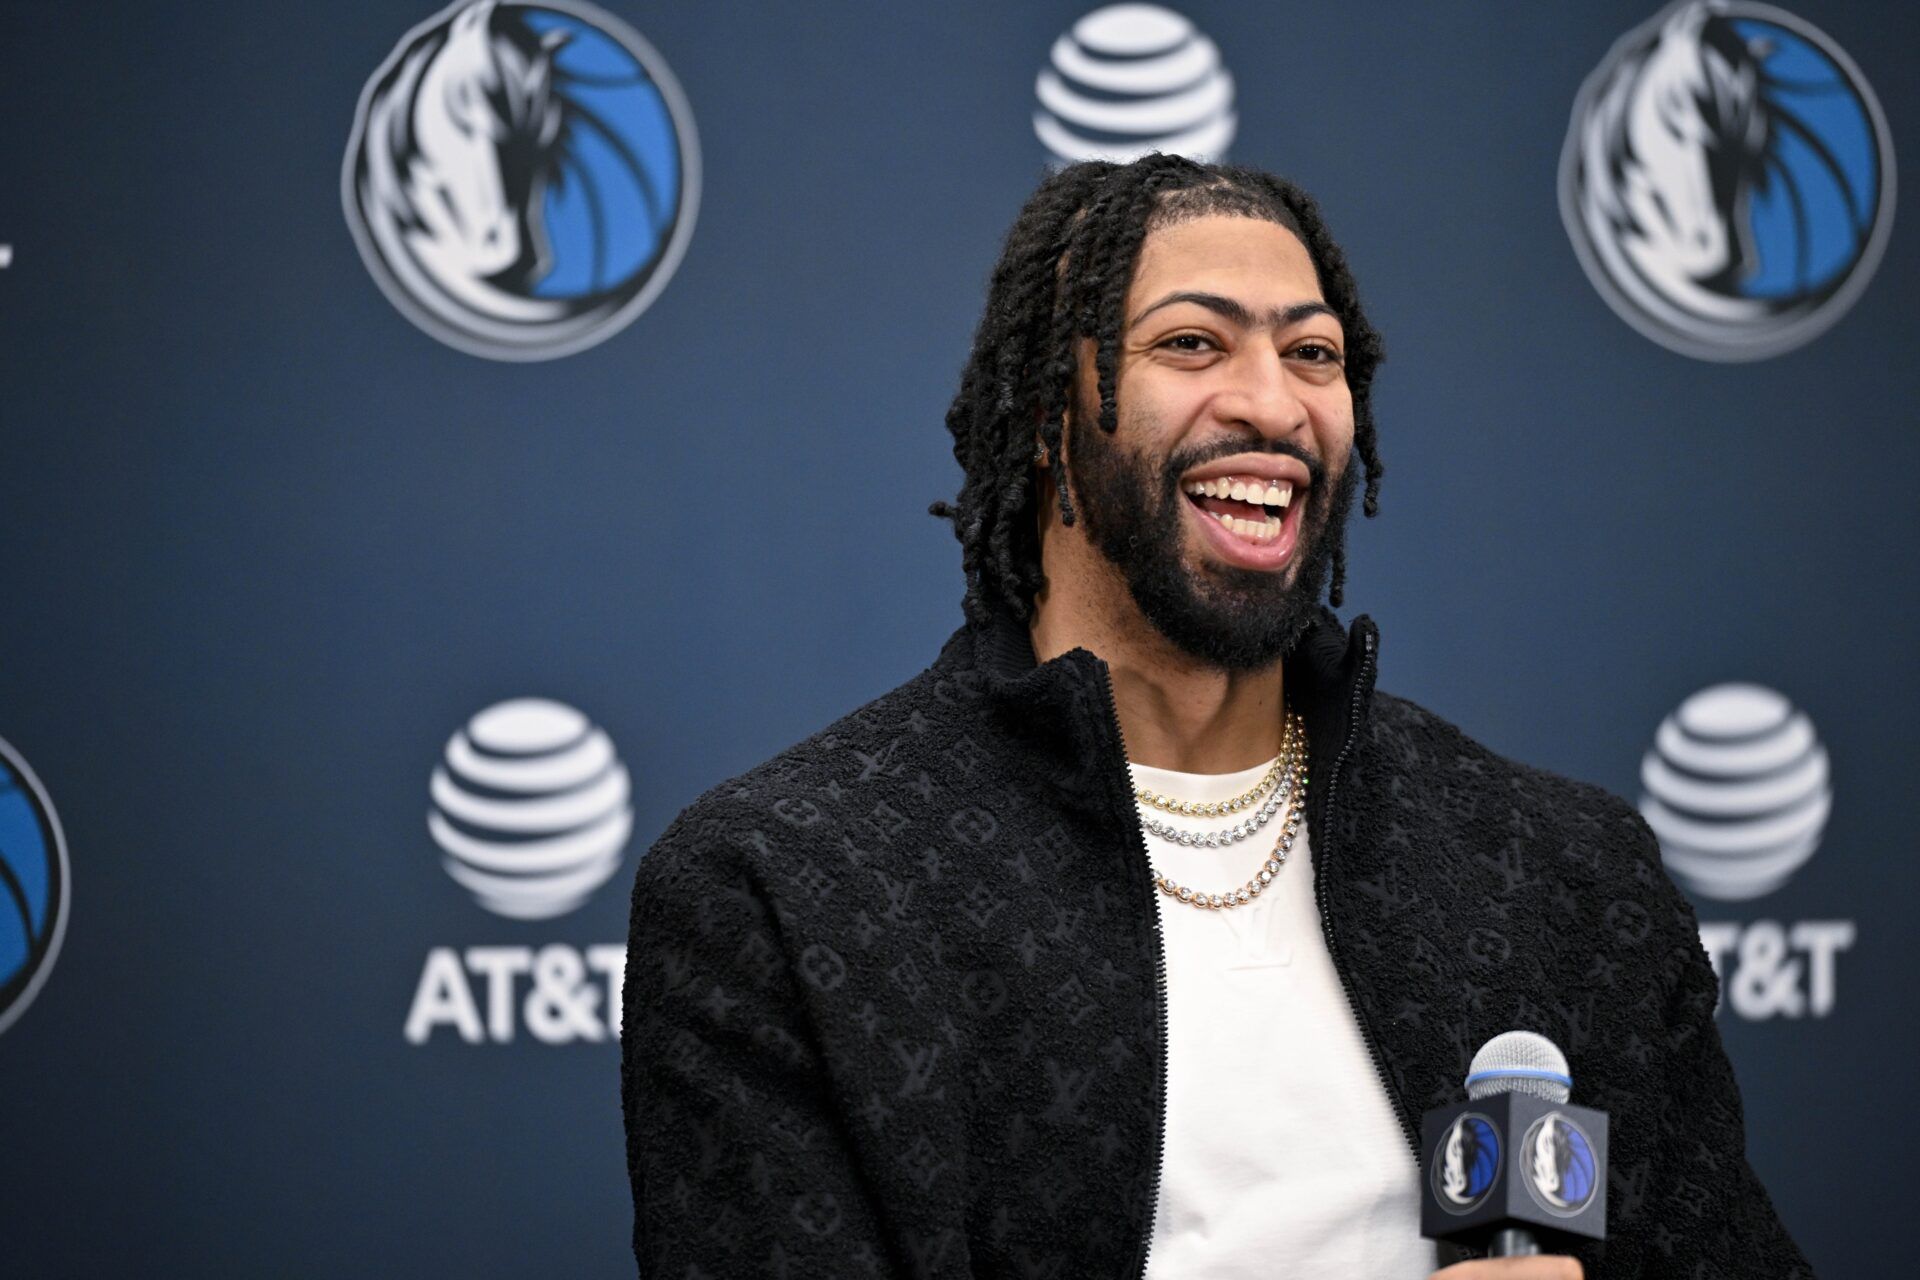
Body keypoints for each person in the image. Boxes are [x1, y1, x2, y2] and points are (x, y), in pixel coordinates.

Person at [619, 154, 1813, 1279]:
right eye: (1192, 342)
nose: (1272, 404)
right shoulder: (785, 887)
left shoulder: (1558, 873)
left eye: (1313, 353)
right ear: (1050, 416)